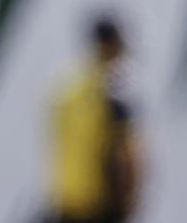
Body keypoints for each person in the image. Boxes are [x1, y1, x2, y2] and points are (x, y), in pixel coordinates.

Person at [43, 13, 142, 223]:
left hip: (63, 204)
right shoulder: (110, 92)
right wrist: (126, 208)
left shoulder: (63, 88)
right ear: (111, 45)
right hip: (99, 207)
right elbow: (125, 160)